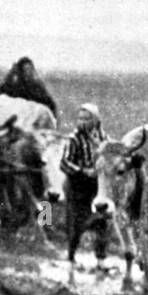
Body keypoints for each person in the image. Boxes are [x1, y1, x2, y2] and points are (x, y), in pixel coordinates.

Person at [61, 103, 111, 271]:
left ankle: (101, 259)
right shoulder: (73, 139)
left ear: (95, 121)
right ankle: (70, 258)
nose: (82, 122)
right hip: (77, 186)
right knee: (76, 223)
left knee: (101, 222)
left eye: (86, 119)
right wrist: (83, 171)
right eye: (80, 118)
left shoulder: (103, 137)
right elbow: (64, 162)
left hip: (96, 186)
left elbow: (109, 155)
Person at [0, 56, 59, 121]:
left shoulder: (36, 86)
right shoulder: (12, 86)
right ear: (21, 71)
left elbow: (50, 104)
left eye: (30, 69)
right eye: (26, 69)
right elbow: (0, 98)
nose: (29, 72)